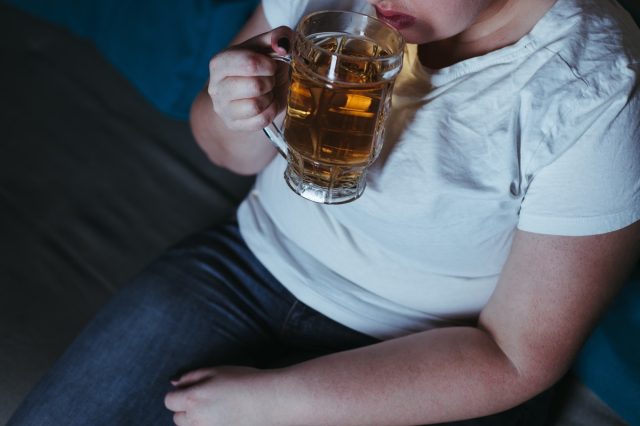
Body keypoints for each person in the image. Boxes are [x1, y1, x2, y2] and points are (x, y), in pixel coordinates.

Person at [9, 0, 640, 425]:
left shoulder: (595, 86)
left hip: (435, 349)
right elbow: (223, 150)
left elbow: (516, 357)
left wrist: (276, 401)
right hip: (246, 268)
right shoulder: (331, 10)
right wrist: (238, 102)